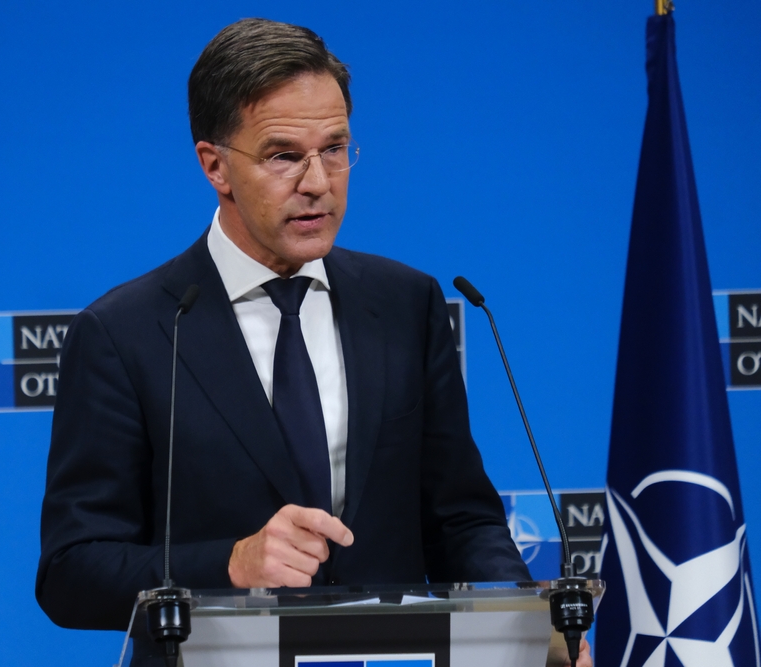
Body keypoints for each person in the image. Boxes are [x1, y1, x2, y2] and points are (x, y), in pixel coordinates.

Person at [36, 18, 592, 667]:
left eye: (335, 148)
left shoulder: (405, 304)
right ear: (215, 165)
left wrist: (526, 629)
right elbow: (71, 571)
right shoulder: (126, 332)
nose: (318, 182)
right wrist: (229, 563)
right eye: (283, 155)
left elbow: (460, 518)